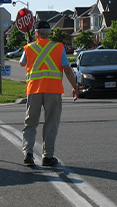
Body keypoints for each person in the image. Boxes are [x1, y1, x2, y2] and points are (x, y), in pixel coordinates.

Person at [19, 20, 79, 166]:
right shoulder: (58, 47)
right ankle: (48, 156)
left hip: (34, 89)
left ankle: (28, 153)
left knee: (30, 122)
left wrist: (30, 44)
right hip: (53, 90)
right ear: (49, 33)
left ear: (36, 33)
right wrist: (75, 87)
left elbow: (22, 63)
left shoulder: (29, 47)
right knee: (51, 123)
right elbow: (67, 69)